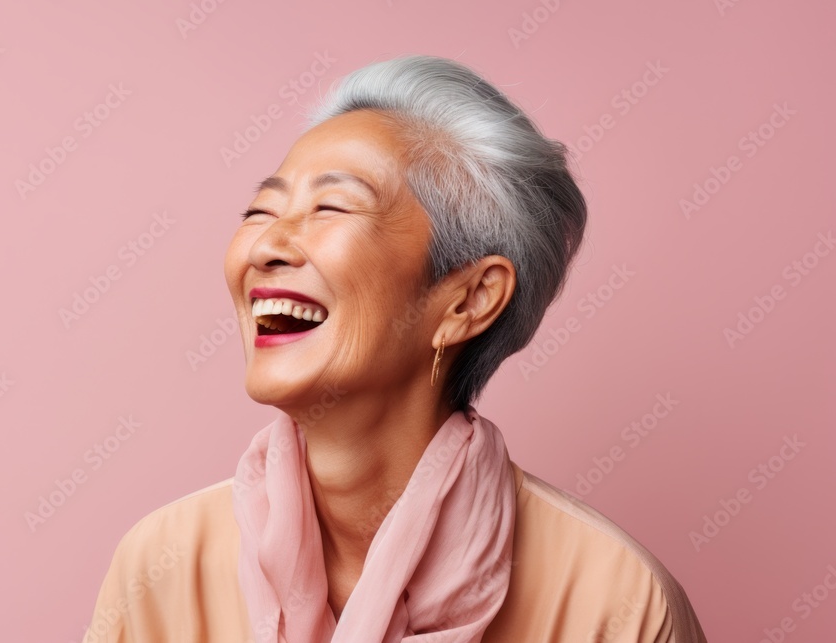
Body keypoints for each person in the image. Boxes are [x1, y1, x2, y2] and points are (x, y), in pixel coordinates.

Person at [82, 54, 707, 642]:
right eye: (260, 210)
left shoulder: (615, 599)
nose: (266, 245)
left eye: (332, 206)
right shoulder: (161, 565)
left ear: (469, 300)